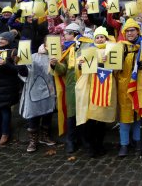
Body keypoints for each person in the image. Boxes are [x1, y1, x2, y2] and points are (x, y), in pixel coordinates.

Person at [75, 26, 117, 158]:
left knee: (101, 118)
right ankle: (90, 146)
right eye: (97, 37)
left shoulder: (112, 50)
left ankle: (100, 144)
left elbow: (116, 66)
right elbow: (79, 64)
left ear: (106, 38)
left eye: (102, 37)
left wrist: (107, 61)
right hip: (90, 86)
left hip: (105, 86)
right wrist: (80, 64)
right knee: (91, 119)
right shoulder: (89, 50)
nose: (99, 39)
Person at [17, 40, 56, 153]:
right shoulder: (32, 57)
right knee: (33, 115)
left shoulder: (53, 57)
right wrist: (20, 64)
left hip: (48, 90)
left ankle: (45, 136)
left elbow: (56, 72)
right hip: (33, 90)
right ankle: (33, 141)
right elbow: (24, 73)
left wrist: (54, 65)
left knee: (48, 113)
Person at [116, 18, 142, 157]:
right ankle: (124, 144)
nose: (129, 33)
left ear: (137, 31)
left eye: (132, 30)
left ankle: (137, 140)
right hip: (124, 86)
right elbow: (115, 68)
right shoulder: (119, 46)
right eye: (127, 31)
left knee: (137, 114)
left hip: (139, 85)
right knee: (124, 116)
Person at [51, 23, 84, 154]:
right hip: (71, 86)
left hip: (84, 85)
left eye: (66, 34)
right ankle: (71, 140)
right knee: (72, 114)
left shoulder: (85, 46)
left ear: (74, 34)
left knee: (83, 113)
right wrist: (54, 65)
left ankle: (84, 139)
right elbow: (62, 70)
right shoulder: (64, 50)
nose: (64, 36)